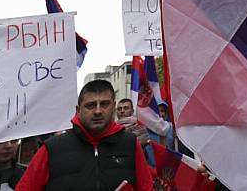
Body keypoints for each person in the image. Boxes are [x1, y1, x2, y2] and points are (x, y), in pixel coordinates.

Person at [16, 79, 153, 191]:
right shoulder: (52, 149)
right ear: (78, 110)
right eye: (91, 105)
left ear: (113, 106)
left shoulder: (130, 144)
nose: (98, 111)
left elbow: (146, 187)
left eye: (104, 104)